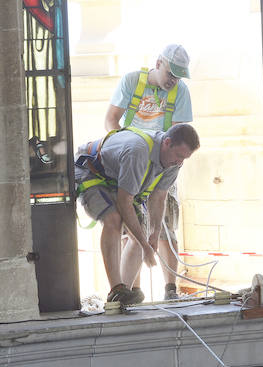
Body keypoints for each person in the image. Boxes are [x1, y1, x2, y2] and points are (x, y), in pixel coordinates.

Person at [74, 124, 200, 306]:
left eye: (184, 159)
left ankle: (123, 296)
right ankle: (116, 289)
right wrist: (144, 243)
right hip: (92, 171)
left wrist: (154, 234)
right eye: (179, 156)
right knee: (114, 219)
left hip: (118, 180)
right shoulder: (138, 151)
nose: (179, 162)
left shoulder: (174, 162)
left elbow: (159, 197)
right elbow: (124, 202)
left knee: (143, 234)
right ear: (167, 142)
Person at [104, 44, 193, 301]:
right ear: (158, 63)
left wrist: (171, 162)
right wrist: (124, 148)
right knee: (129, 225)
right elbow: (111, 119)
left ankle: (170, 288)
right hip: (132, 163)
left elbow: (179, 135)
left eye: (178, 76)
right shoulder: (132, 81)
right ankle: (132, 288)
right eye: (170, 74)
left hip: (163, 162)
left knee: (164, 225)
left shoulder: (181, 92)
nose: (173, 80)